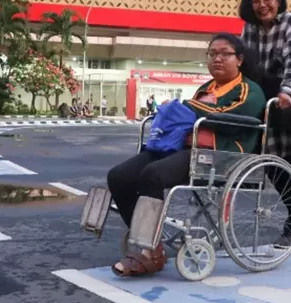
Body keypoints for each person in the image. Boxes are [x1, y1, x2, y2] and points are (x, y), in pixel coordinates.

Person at [107, 33, 266, 277]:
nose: (217, 59)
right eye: (212, 54)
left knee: (152, 175)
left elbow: (227, 118)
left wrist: (186, 107)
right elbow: (193, 116)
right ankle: (151, 243)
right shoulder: (206, 88)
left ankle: (148, 254)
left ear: (240, 59)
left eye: (225, 54)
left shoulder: (250, 90)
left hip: (219, 153)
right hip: (185, 146)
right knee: (119, 176)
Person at [239, 0, 291, 247]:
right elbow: (243, 65)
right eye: (256, 1)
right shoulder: (249, 29)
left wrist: (287, 90)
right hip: (266, 96)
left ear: (278, 0)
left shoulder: (290, 21)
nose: (262, 5)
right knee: (270, 160)